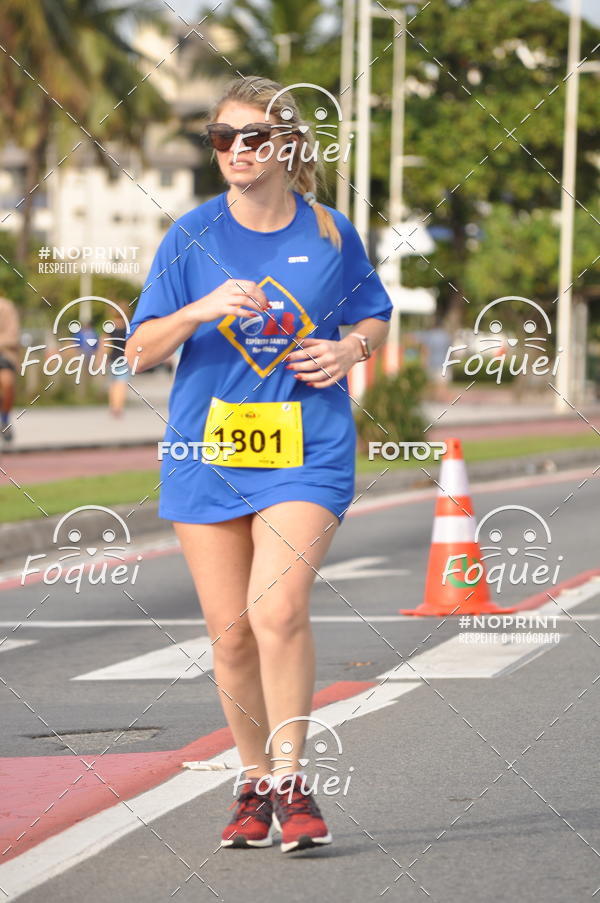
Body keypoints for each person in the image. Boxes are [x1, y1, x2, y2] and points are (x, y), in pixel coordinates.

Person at [125, 76, 392, 853]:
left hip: (307, 448)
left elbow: (373, 311)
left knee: (278, 611)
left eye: (254, 137)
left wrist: (350, 347)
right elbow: (137, 350)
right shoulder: (190, 237)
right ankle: (250, 780)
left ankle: (290, 777)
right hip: (205, 452)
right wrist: (199, 311)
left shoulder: (333, 233)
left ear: (289, 147)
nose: (237, 150)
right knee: (233, 632)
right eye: (222, 137)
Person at [0, 296, 21, 443]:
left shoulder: (6, 307)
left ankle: (5, 420)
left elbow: (13, 335)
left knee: (7, 383)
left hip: (4, 353)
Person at [101, 308, 129, 417]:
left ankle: (113, 406)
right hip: (124, 359)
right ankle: (119, 407)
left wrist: (102, 359)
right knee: (121, 384)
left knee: (113, 384)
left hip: (112, 359)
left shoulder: (109, 328)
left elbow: (104, 345)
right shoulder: (128, 328)